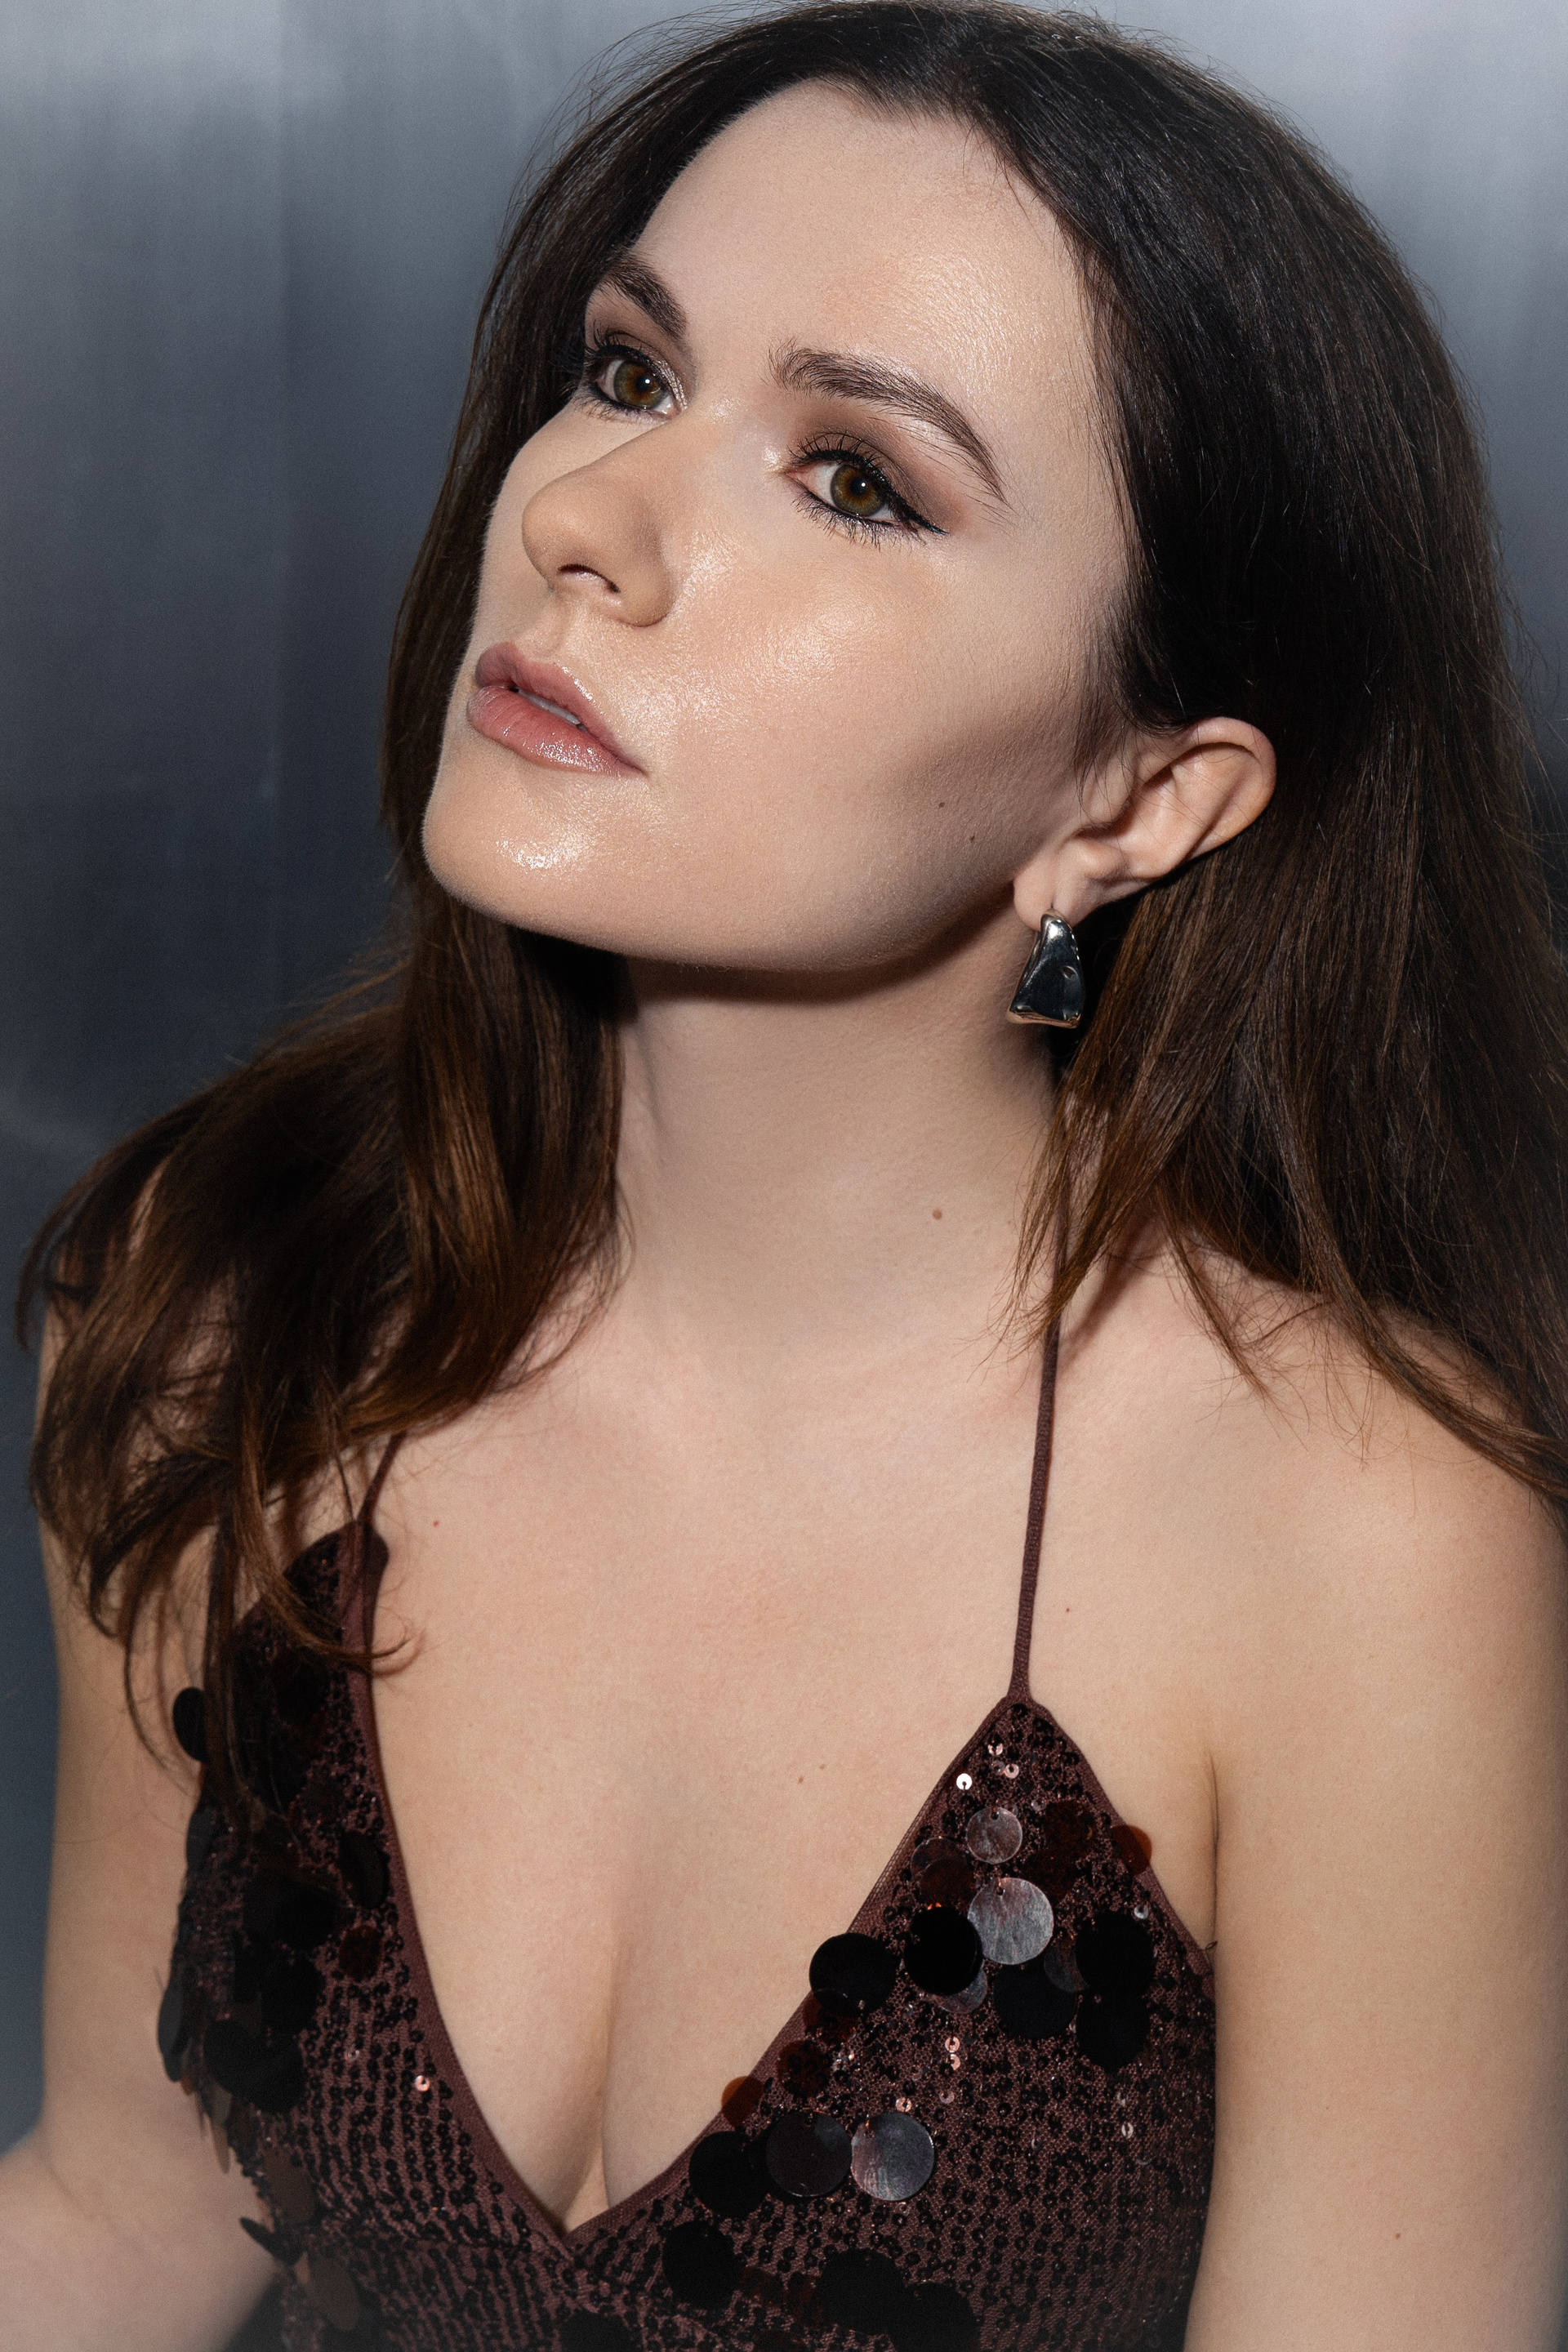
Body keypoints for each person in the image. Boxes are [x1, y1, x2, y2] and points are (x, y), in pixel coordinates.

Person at [7, 2, 1568, 2345]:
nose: (583, 520)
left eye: (855, 479)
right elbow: (121, 2213)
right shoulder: (226, 1300)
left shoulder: (1359, 1543)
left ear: (1136, 801)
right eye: (627, 371)